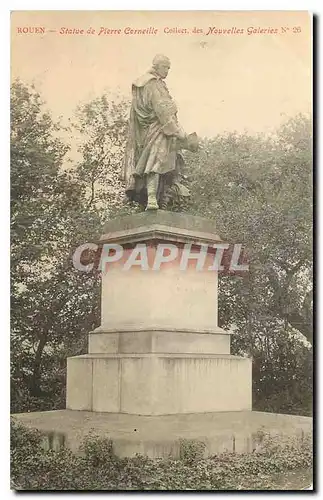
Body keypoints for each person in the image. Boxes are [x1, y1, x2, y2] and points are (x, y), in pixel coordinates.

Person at [122, 54, 198, 210]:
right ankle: (151, 199)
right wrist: (180, 133)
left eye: (169, 68)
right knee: (155, 163)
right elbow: (162, 111)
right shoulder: (153, 84)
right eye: (165, 67)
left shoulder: (143, 84)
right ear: (156, 66)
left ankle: (156, 199)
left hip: (147, 131)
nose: (167, 71)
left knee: (159, 164)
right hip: (159, 130)